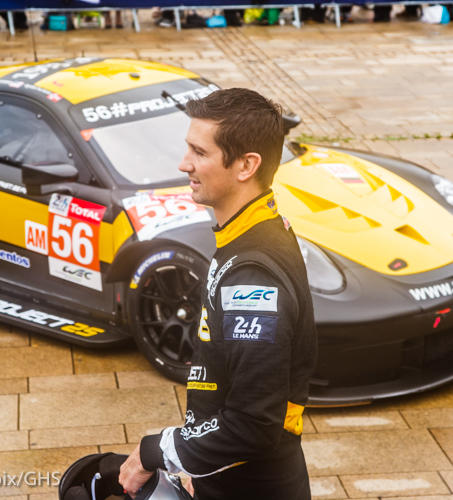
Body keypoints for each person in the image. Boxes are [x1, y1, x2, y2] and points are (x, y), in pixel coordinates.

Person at [118, 88, 318, 500]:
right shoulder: (251, 230)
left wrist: (154, 452)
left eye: (199, 152)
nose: (184, 163)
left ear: (246, 165)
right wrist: (198, 462)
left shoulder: (252, 276)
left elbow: (252, 423)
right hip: (230, 477)